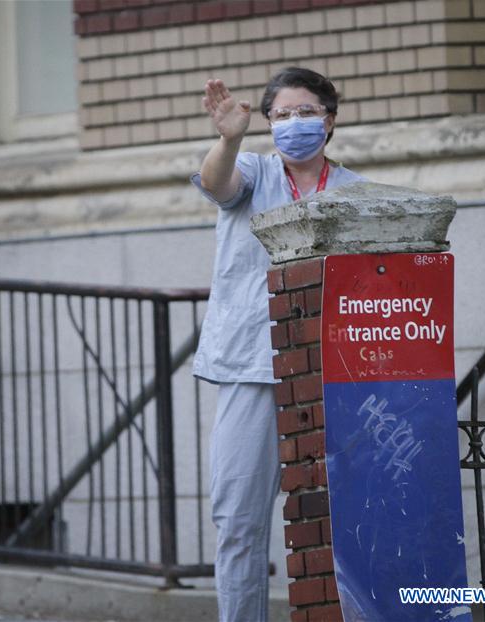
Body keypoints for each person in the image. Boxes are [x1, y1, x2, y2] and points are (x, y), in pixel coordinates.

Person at [191, 67, 364, 621]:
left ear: (329, 121)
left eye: (306, 112)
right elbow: (217, 185)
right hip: (252, 366)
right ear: (267, 124)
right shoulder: (251, 169)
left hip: (332, 372)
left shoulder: (356, 191)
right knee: (239, 520)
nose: (294, 124)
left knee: (349, 515)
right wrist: (228, 136)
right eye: (282, 115)